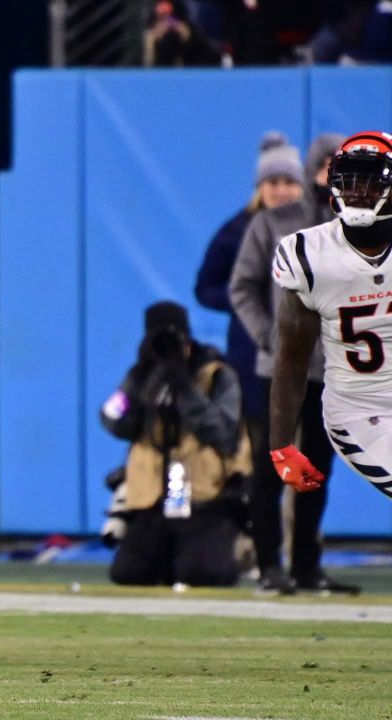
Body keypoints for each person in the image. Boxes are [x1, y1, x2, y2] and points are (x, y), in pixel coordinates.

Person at [229, 132, 357, 596]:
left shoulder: (355, 226)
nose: (331, 176)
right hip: (280, 373)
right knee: (272, 468)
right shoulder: (274, 223)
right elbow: (241, 286)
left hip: (331, 372)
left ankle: (306, 566)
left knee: (317, 472)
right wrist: (272, 338)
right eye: (325, 166)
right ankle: (269, 566)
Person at [270, 132, 392, 506]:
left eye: (370, 181)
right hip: (361, 413)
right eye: (348, 180)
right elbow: (291, 359)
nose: (357, 191)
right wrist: (281, 447)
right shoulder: (310, 256)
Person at [100, 302, 250, 588]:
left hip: (206, 499)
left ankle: (236, 548)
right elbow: (113, 420)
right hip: (152, 500)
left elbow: (222, 432)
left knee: (203, 574)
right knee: (129, 574)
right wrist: (143, 383)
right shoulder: (141, 376)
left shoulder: (216, 375)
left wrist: (184, 388)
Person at [197, 133, 303, 428]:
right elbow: (205, 288)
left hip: (307, 362)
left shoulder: (316, 228)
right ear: (260, 188)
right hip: (252, 358)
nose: (282, 191)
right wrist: (248, 299)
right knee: (260, 444)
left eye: (289, 182)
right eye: (273, 183)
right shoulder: (237, 231)